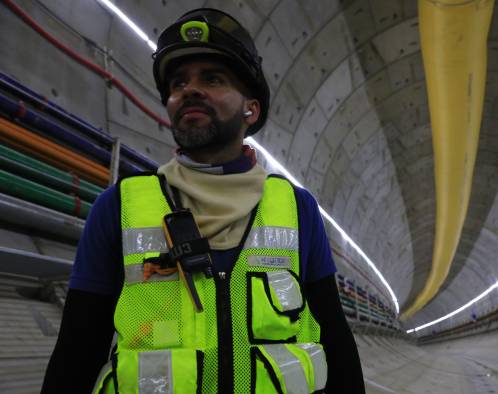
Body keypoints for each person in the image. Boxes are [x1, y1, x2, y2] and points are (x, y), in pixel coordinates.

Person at [41, 8, 365, 393]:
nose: (189, 90)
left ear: (251, 109)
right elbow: (77, 351)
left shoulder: (296, 208)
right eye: (178, 83)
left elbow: (335, 339)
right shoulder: (119, 207)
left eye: (213, 78)